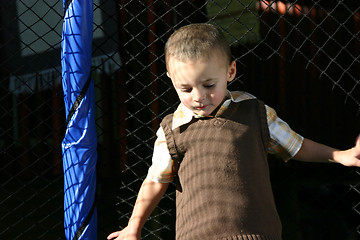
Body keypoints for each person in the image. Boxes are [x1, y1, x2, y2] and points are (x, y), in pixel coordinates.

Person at [108, 23, 360, 240]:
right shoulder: (172, 130)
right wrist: (134, 226)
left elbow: (296, 145)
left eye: (208, 85)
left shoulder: (254, 113)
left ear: (230, 71)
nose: (198, 97)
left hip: (256, 233)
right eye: (185, 89)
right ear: (171, 80)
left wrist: (341, 155)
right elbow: (155, 181)